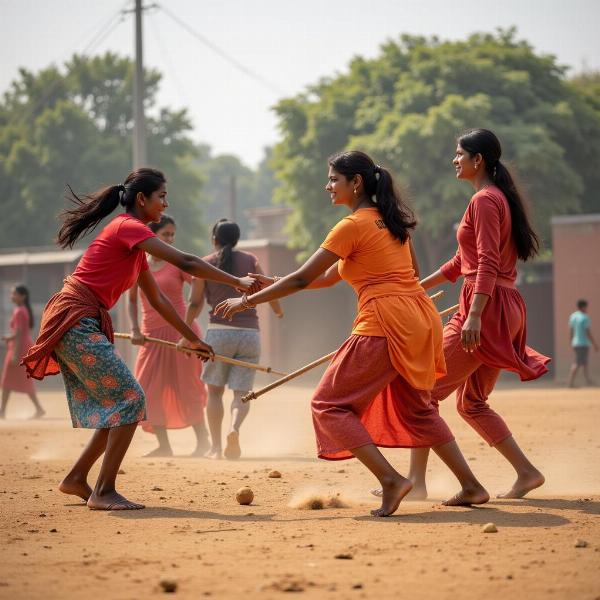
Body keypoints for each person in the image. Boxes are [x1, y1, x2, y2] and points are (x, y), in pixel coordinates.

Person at [215, 151, 489, 517]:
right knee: (418, 409)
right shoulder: (391, 223)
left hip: (383, 322)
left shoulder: (352, 226)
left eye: (333, 179)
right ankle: (471, 486)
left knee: (328, 405)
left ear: (355, 182)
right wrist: (273, 284)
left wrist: (247, 302)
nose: (327, 186)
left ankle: (392, 481)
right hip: (418, 319)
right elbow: (326, 278)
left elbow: (303, 278)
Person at [21, 168, 260, 511]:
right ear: (141, 199)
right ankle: (103, 491)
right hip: (75, 318)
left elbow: (159, 301)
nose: (166, 203)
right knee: (131, 399)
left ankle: (76, 478)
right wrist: (237, 282)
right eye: (161, 196)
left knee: (123, 403)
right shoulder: (127, 227)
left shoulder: (135, 247)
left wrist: (191, 338)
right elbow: (188, 261)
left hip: (81, 318)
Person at [399, 129, 550, 502]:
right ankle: (527, 473)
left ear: (477, 160)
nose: (454, 160)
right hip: (504, 304)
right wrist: (417, 287)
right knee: (471, 403)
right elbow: (460, 263)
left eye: (459, 154)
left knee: (422, 394)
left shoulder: (484, 200)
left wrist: (474, 315)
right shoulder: (497, 198)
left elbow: (485, 262)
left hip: (487, 308)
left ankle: (420, 483)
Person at [187, 219, 284, 460]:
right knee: (242, 392)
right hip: (250, 335)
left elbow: (195, 303)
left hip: (218, 334)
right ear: (238, 239)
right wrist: (278, 310)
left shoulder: (205, 264)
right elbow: (268, 288)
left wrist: (185, 333)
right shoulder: (251, 260)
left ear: (214, 240)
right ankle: (234, 428)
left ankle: (217, 448)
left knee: (215, 393)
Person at [128, 214, 209, 457]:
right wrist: (134, 329)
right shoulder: (138, 263)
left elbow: (198, 283)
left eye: (173, 234)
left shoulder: (177, 262)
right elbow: (131, 300)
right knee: (147, 390)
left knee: (188, 388)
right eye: (166, 234)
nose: (171, 239)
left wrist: (191, 313)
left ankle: (203, 442)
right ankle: (164, 446)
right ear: (152, 235)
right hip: (151, 336)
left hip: (182, 335)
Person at [1, 285, 45, 419]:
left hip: (19, 349)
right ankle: (38, 408)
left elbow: (20, 333)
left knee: (7, 380)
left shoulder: (20, 311)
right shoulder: (22, 310)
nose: (11, 296)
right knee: (15, 380)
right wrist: (9, 337)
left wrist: (15, 353)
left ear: (22, 296)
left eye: (14, 294)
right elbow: (19, 332)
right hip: (21, 346)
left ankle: (2, 411)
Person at [567, 299, 598, 387]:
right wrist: (595, 343)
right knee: (578, 362)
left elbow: (571, 330)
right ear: (583, 307)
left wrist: (571, 341)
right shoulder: (584, 317)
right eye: (586, 307)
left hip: (575, 343)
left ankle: (587, 380)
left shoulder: (573, 316)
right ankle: (570, 383)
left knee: (584, 362)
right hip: (583, 343)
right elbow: (588, 332)